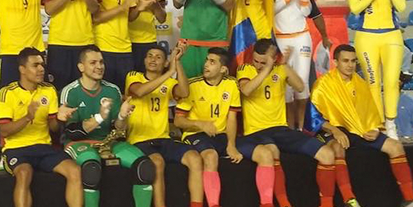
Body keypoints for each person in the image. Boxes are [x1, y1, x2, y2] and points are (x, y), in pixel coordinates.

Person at [306, 44, 413, 207]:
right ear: (335, 62)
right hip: (333, 128)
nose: (350, 65)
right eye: (345, 61)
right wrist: (335, 130)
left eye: (353, 61)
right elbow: (312, 118)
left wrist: (375, 129)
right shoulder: (322, 84)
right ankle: (349, 200)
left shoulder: (361, 84)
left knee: (395, 146)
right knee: (337, 148)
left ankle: (410, 199)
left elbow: (371, 113)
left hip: (360, 130)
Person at [237, 39, 338, 207]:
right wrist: (267, 68)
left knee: (327, 155)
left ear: (274, 58)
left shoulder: (281, 69)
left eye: (264, 62)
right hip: (257, 132)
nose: (259, 65)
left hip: (281, 129)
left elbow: (299, 87)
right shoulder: (245, 69)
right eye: (256, 61)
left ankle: (326, 203)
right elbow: (246, 90)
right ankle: (284, 203)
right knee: (272, 151)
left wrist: (286, 66)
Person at [175, 48, 276, 207]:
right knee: (210, 156)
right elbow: (178, 121)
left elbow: (231, 118)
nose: (206, 65)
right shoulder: (193, 85)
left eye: (212, 62)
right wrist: (199, 123)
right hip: (196, 135)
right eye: (207, 60)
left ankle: (267, 203)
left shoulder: (231, 84)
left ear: (223, 69)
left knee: (266, 154)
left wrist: (231, 145)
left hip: (222, 135)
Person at [60, 46, 152, 207]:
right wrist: (100, 117)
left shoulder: (112, 90)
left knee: (144, 167)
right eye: (93, 62)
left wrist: (122, 116)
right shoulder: (71, 91)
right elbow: (72, 132)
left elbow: (118, 129)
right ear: (81, 67)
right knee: (91, 169)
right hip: (79, 143)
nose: (99, 66)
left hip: (109, 142)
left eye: (101, 62)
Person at [0, 47, 82, 207]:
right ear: (22, 69)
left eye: (42, 64)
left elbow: (53, 128)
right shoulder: (7, 92)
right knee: (24, 173)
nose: (41, 69)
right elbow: (4, 131)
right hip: (16, 149)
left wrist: (60, 118)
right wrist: (28, 117)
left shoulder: (48, 90)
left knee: (75, 171)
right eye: (35, 65)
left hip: (44, 147)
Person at [126, 44, 205, 207]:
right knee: (157, 161)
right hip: (140, 140)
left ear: (165, 63)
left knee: (195, 158)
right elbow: (140, 91)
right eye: (149, 55)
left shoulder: (168, 82)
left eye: (158, 57)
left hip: (164, 139)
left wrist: (177, 62)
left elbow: (184, 92)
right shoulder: (134, 76)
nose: (153, 59)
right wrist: (169, 72)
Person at [347, 0, 406, 139]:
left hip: (391, 35)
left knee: (391, 82)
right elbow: (355, 9)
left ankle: (391, 124)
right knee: (373, 81)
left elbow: (401, 6)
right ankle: (378, 124)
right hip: (367, 36)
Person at [93, 0, 153, 91]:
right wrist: (121, 8)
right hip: (104, 47)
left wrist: (139, 8)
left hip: (125, 49)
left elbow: (130, 18)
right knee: (105, 94)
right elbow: (96, 17)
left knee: (126, 94)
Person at [271, 0, 312, 131]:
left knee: (302, 85)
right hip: (281, 38)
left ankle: (300, 127)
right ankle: (288, 127)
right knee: (286, 86)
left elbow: (306, 11)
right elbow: (271, 10)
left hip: (302, 38)